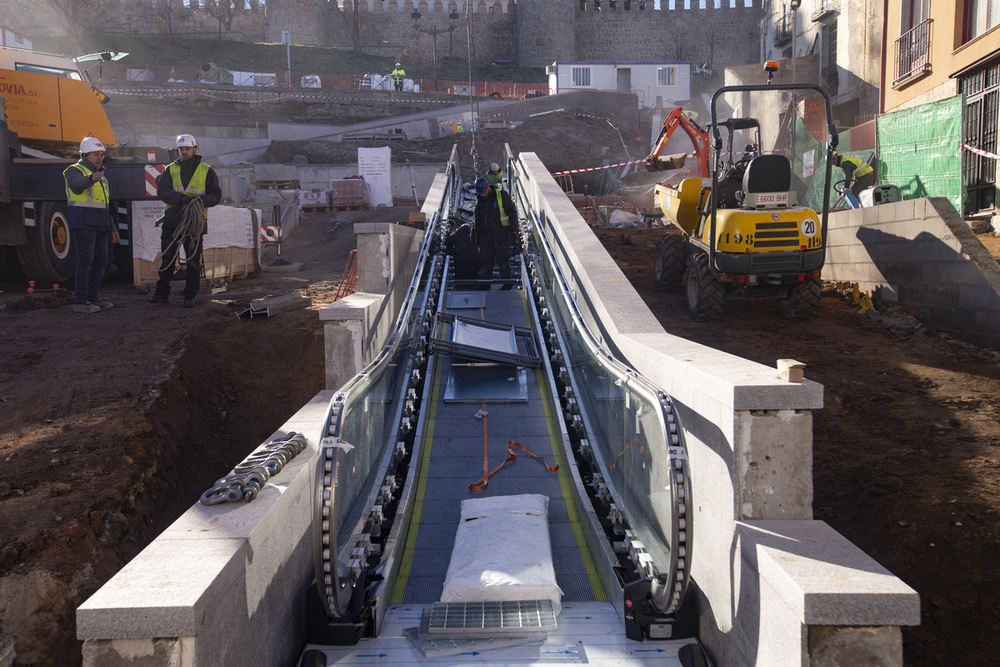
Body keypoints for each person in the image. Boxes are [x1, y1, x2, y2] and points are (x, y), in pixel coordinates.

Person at [149, 134, 222, 308]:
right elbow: (163, 192)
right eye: (181, 150)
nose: (184, 152)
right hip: (173, 220)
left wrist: (200, 202)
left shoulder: (206, 171)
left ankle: (190, 295)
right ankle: (162, 293)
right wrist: (181, 199)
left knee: (193, 260)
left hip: (195, 222)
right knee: (168, 257)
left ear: (194, 149)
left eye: (187, 149)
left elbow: (216, 195)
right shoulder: (170, 169)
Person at [63, 137, 119, 313]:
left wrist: (112, 228)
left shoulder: (102, 177)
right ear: (85, 154)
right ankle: (80, 301)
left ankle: (93, 297)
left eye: (101, 155)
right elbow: (76, 186)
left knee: (102, 262)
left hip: (101, 225)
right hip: (84, 224)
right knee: (85, 261)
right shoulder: (74, 170)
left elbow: (104, 205)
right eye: (96, 155)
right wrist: (91, 178)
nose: (100, 158)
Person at [473, 176, 519, 288]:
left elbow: (512, 212)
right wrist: (473, 233)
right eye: (480, 193)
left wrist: (514, 228)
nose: (482, 195)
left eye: (483, 192)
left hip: (501, 235)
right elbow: (476, 219)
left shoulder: (501, 195)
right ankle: (484, 287)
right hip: (485, 236)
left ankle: (507, 286)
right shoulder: (479, 200)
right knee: (486, 262)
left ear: (488, 187)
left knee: (503, 261)